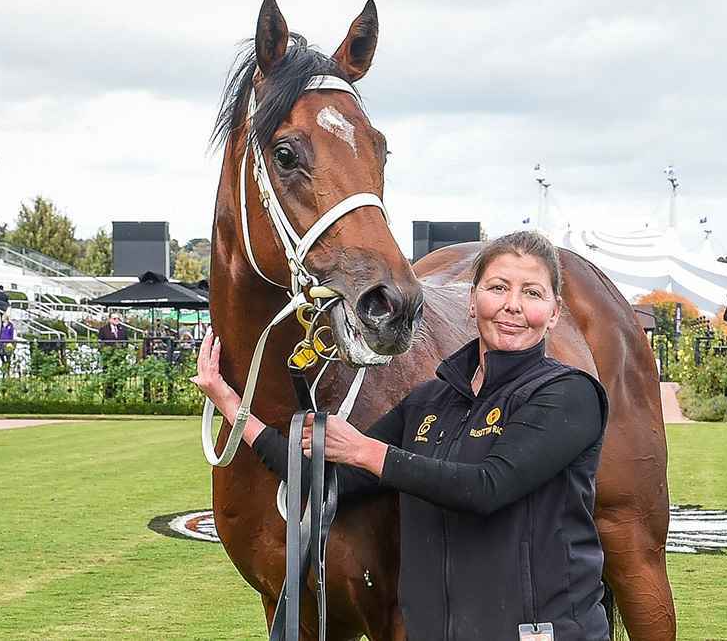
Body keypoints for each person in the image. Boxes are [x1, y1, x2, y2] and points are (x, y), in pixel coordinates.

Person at [193, 231, 611, 640]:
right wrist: (230, 403)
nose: (512, 305)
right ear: (472, 301)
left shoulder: (569, 395)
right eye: (498, 288)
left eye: (532, 293)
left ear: (554, 312)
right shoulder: (429, 402)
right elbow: (320, 481)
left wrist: (366, 451)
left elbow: (487, 487)